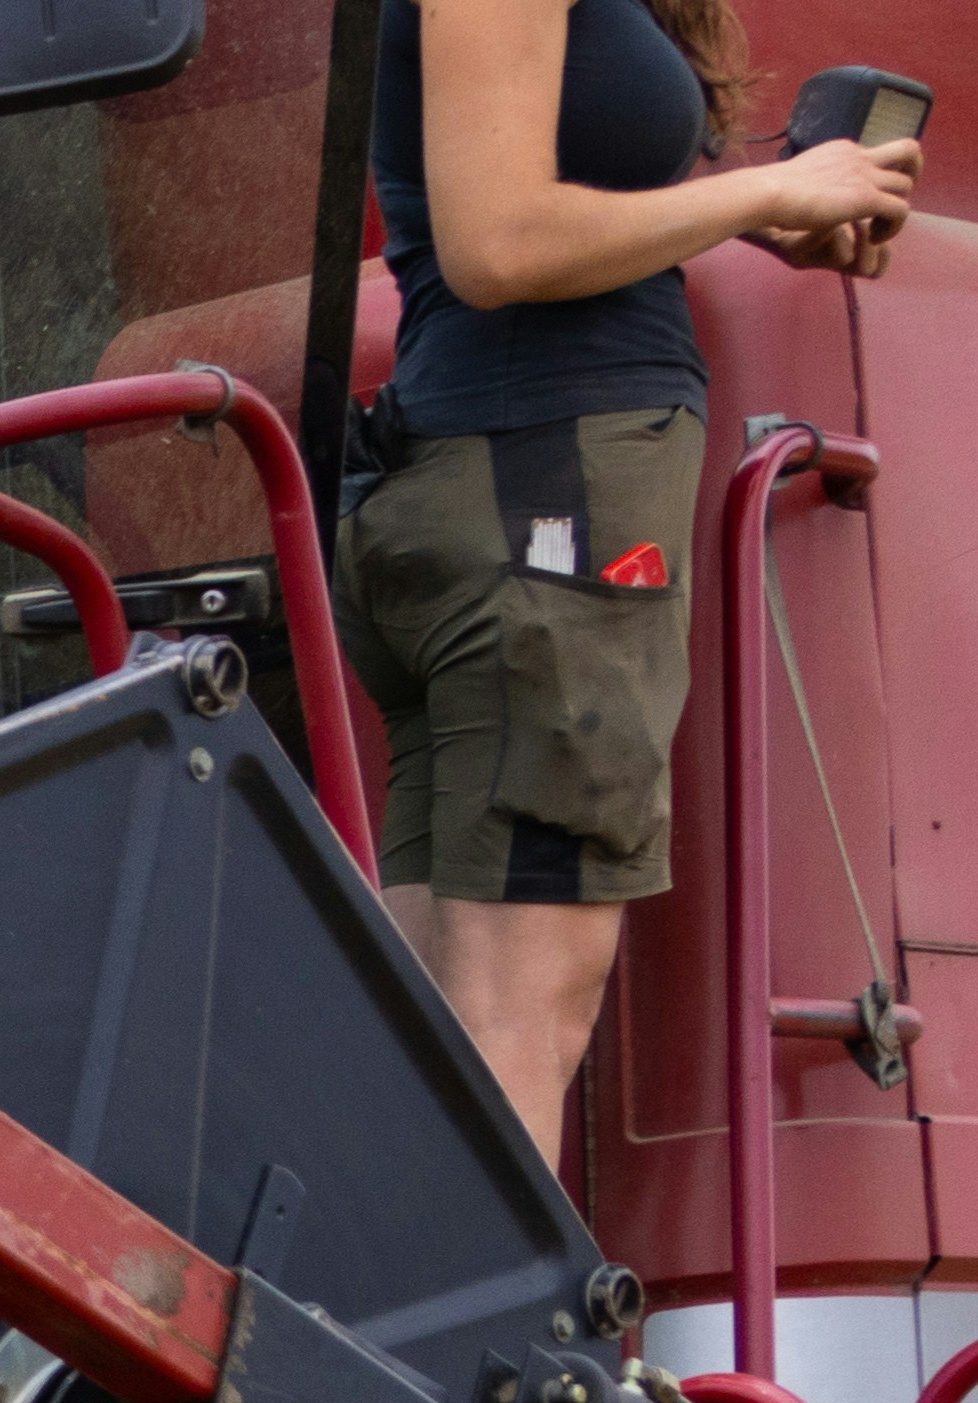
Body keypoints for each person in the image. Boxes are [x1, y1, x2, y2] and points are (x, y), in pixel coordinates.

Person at [343, 3, 917, 1154]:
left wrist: (767, 219)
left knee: (440, 1027)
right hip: (543, 503)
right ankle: (496, 1340)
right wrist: (762, 196)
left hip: (502, 496)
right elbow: (499, 244)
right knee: (524, 1011)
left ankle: (429, 1330)